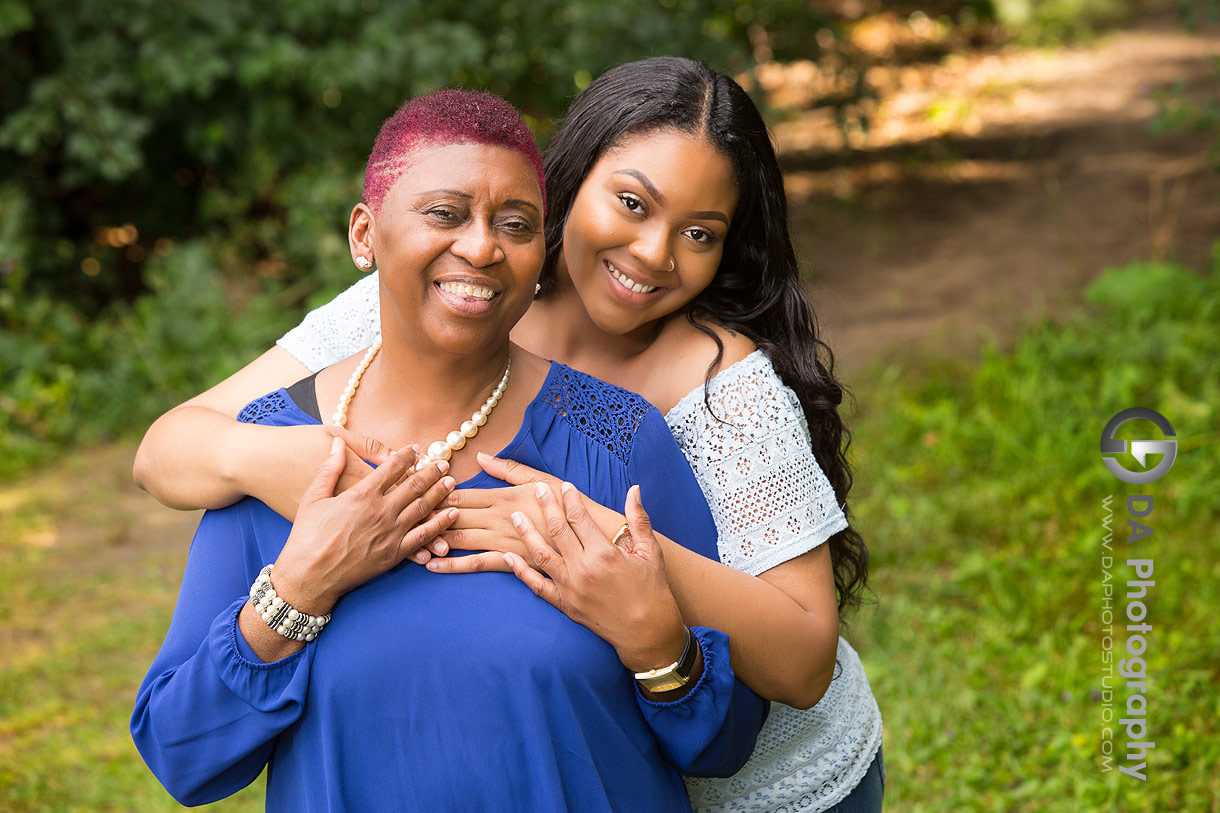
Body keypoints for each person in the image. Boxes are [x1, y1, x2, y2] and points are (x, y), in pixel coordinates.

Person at [135, 58, 884, 812]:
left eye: (698, 232)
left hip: (783, 786)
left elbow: (798, 661)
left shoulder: (697, 396)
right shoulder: (412, 302)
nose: (655, 252)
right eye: (631, 202)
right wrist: (279, 472)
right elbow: (169, 446)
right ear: (568, 191)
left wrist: (590, 532)